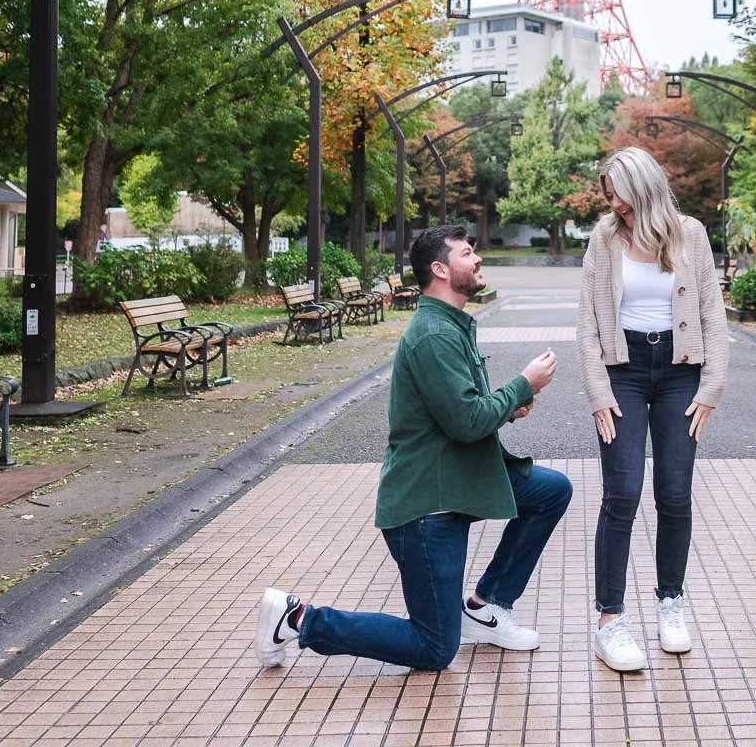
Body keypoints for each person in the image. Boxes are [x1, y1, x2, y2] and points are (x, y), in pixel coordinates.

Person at [254, 225, 572, 671]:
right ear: (440, 270)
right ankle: (298, 619)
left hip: (457, 482)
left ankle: (486, 607)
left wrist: (507, 408)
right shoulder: (434, 335)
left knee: (550, 490)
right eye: (467, 253)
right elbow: (466, 423)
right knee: (434, 647)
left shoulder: (451, 325)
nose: (478, 259)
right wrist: (523, 385)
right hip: (426, 505)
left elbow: (465, 409)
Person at [576, 146, 729, 672]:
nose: (612, 202)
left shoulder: (691, 234)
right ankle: (610, 621)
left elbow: (712, 313)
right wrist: (598, 392)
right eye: (608, 195)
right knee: (622, 493)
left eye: (617, 193)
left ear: (642, 187)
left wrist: (711, 387)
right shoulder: (604, 237)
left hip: (680, 372)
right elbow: (588, 323)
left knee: (675, 492)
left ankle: (671, 603)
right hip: (623, 370)